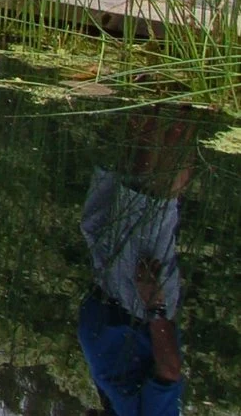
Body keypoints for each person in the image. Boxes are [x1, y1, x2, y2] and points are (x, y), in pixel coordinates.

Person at [78, 116, 192, 416]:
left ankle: (154, 99)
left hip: (110, 289)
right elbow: (169, 372)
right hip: (138, 303)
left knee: (122, 184)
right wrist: (154, 305)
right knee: (149, 194)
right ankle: (180, 106)